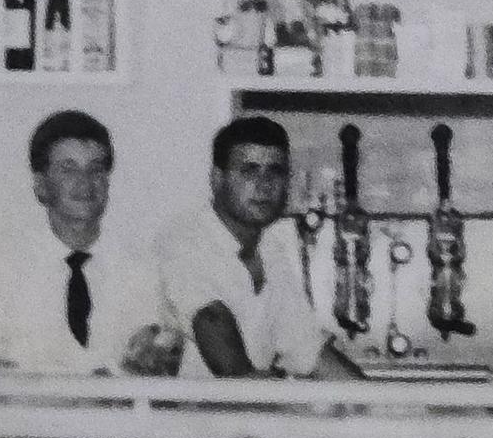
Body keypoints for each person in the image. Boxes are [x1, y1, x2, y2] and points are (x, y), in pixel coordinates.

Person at [0, 110, 181, 375]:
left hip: (117, 414)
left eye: (95, 169)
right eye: (67, 169)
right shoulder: (3, 269)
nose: (85, 182)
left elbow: (157, 361)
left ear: (107, 182)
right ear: (40, 186)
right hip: (25, 413)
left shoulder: (143, 268)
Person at [156, 115, 364, 378]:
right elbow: (214, 326)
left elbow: (308, 350)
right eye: (249, 170)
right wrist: (262, 391)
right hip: (187, 417)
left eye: (275, 171)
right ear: (217, 179)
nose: (264, 185)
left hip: (246, 413)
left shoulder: (270, 250)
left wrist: (380, 407)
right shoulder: (186, 242)